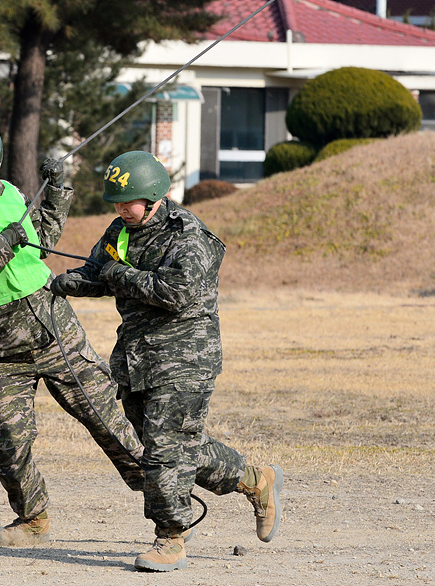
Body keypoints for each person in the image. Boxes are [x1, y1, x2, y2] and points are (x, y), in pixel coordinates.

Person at [0, 115, 145, 544]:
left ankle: (177, 503)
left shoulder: (12, 195)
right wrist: (6, 239)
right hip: (0, 350)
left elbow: (44, 235)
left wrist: (58, 189)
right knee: (7, 439)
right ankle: (32, 519)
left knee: (112, 427)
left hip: (56, 333)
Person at [50, 151, 283, 572]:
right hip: (136, 359)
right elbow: (97, 272)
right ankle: (255, 478)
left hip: (184, 358)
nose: (123, 208)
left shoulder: (190, 236)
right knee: (174, 447)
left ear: (155, 195)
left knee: (162, 453)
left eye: (131, 200)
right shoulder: (120, 231)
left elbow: (174, 292)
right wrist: (65, 284)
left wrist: (119, 275)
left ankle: (170, 536)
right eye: (117, 201)